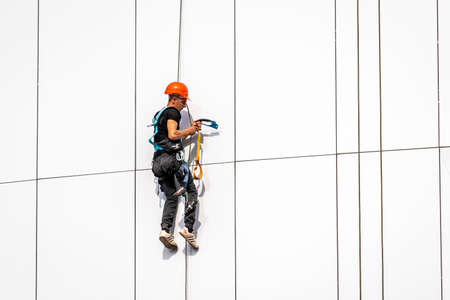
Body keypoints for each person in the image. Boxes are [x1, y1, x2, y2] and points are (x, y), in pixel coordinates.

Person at [151, 82, 201, 251]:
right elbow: (174, 134)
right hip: (173, 161)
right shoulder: (173, 112)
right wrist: (190, 130)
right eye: (183, 100)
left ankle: (165, 231)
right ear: (174, 98)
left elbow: (170, 138)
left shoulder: (160, 115)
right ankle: (188, 228)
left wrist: (190, 133)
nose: (184, 104)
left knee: (172, 196)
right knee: (192, 192)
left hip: (159, 161)